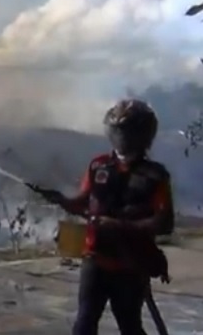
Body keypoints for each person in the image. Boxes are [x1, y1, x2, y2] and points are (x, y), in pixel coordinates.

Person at [34, 99, 174, 335]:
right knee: (84, 325)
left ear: (142, 135)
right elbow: (82, 204)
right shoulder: (99, 166)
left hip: (130, 264)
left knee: (129, 326)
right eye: (117, 131)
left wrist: (119, 226)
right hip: (95, 260)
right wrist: (60, 199)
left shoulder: (154, 176)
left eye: (126, 132)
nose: (121, 138)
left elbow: (165, 223)